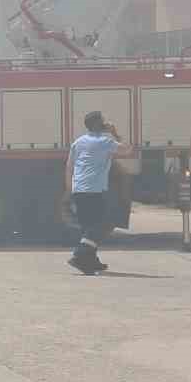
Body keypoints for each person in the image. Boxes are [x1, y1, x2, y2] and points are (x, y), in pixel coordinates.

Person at [65, 111, 128, 275]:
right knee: (103, 224)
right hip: (93, 189)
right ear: (98, 124)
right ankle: (79, 255)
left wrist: (69, 190)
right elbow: (127, 150)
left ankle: (91, 261)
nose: (105, 123)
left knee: (89, 226)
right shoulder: (105, 141)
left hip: (79, 189)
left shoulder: (78, 142)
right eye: (103, 121)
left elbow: (69, 167)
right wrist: (114, 132)